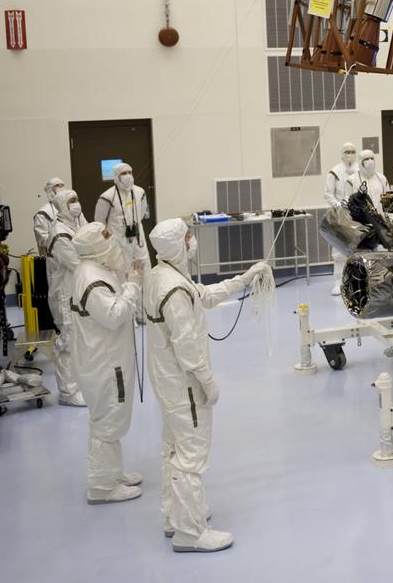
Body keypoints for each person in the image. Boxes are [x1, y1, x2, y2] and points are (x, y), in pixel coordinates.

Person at [146, 218, 270, 553]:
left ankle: (176, 516)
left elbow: (205, 295)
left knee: (174, 446)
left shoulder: (162, 275)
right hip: (184, 383)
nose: (192, 241)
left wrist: (244, 279)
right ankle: (191, 532)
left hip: (168, 380)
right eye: (188, 237)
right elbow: (187, 347)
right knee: (191, 453)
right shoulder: (173, 289)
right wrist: (208, 382)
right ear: (176, 245)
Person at [71, 222, 144, 504]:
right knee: (108, 418)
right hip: (104, 361)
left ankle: (112, 472)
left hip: (106, 356)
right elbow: (113, 315)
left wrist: (128, 282)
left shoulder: (98, 269)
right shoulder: (91, 278)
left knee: (109, 417)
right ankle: (102, 488)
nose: (113, 244)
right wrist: (133, 287)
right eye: (107, 241)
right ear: (95, 249)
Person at [44, 189, 86, 406]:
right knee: (68, 342)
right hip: (64, 295)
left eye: (76, 199)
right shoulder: (60, 233)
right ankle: (67, 393)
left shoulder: (75, 224)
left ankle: (78, 384)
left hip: (75, 291)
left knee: (79, 340)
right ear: (61, 205)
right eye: (71, 201)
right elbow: (77, 262)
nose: (76, 204)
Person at [95, 162, 151, 278]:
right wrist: (109, 240)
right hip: (118, 244)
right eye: (124, 173)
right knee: (122, 275)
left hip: (138, 240)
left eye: (130, 172)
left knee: (144, 271)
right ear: (116, 176)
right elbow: (99, 224)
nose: (128, 175)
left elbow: (141, 214)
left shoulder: (140, 192)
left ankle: (146, 295)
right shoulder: (107, 197)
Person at [324, 142, 360, 295]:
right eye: (347, 151)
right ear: (341, 153)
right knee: (338, 251)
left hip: (357, 215)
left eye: (352, 151)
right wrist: (340, 206)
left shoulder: (360, 170)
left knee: (359, 248)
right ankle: (338, 281)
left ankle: (357, 281)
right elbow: (327, 194)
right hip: (339, 215)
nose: (350, 154)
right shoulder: (334, 172)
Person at [33, 177, 66, 255]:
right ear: (50, 190)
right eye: (57, 185)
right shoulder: (42, 213)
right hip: (50, 258)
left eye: (62, 185)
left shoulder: (69, 210)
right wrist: (63, 241)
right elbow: (42, 239)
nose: (61, 188)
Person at [357, 150, 389, 214]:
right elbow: (348, 204)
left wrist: (389, 219)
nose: (370, 161)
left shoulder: (381, 178)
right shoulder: (352, 180)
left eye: (372, 158)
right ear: (361, 162)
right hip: (361, 221)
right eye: (366, 159)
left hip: (381, 220)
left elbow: (388, 199)